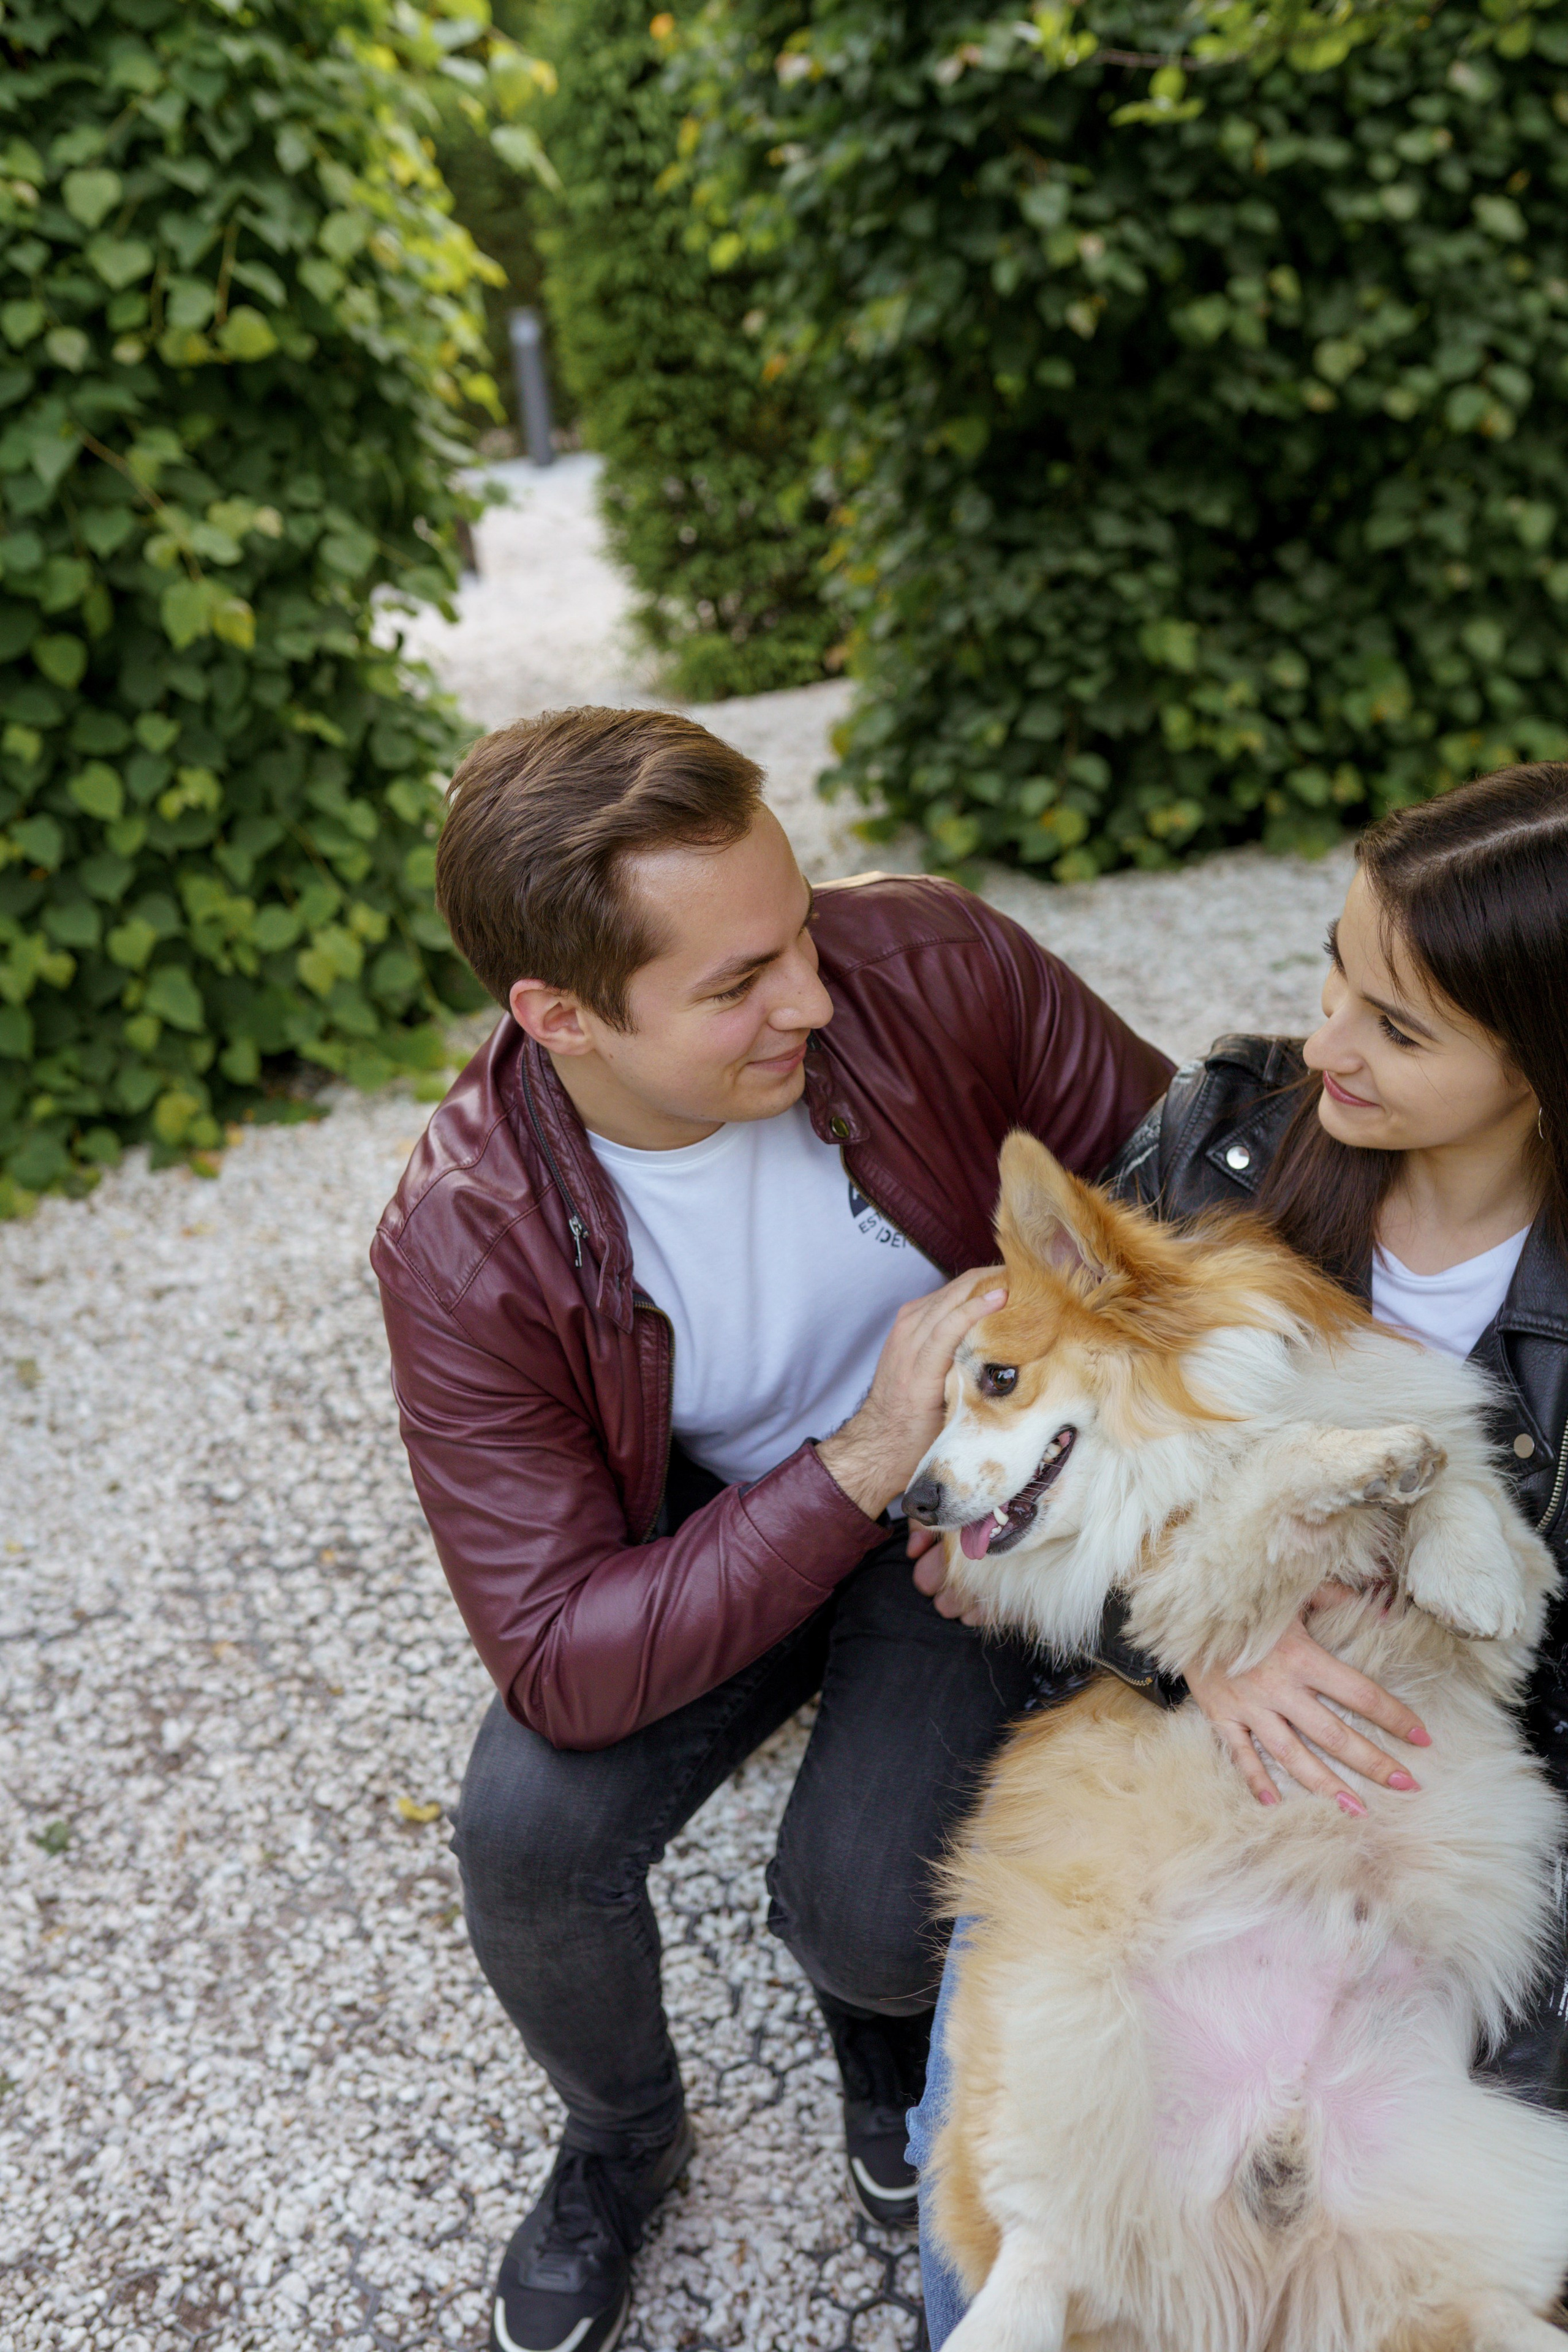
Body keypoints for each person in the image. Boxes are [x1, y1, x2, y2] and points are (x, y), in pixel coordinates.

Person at [369, 706, 1172, 2352]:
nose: (812, 996)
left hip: (961, 1514)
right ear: (560, 1017)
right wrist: (866, 1456)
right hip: (728, 1529)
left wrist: (1032, 1483)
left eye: (799, 933)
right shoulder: (462, 1240)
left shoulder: (934, 962)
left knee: (870, 1915)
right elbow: (557, 1654)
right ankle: (621, 2139)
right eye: (737, 985)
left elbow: (1174, 1202)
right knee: (527, 1840)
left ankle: (875, 2035)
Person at [910, 760, 1568, 2346]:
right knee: (1001, 2243)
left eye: (1398, 1027)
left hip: (1437, 1821)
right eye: (1334, 968)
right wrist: (1200, 1632)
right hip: (1159, 1799)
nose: (1323, 1043)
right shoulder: (1224, 1131)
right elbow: (1018, 1519)